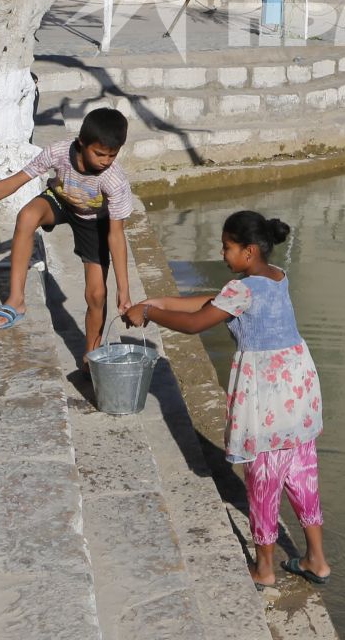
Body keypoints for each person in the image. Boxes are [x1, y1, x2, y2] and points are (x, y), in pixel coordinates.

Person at [125, 211, 330, 592]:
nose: (223, 255)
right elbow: (211, 302)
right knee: (302, 473)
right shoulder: (277, 277)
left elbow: (196, 323)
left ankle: (265, 568)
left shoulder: (240, 290)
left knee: (264, 478)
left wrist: (151, 312)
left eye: (227, 248)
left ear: (248, 250)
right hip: (298, 391)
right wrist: (156, 300)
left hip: (267, 395)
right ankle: (316, 559)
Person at [0, 107, 135, 362]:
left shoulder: (115, 180)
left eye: (112, 155)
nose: (105, 161)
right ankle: (16, 300)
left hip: (95, 222)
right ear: (81, 143)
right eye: (99, 154)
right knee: (27, 216)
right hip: (61, 201)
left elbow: (116, 236)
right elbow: (16, 180)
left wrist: (124, 290)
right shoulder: (59, 152)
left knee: (97, 294)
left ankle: (92, 355)